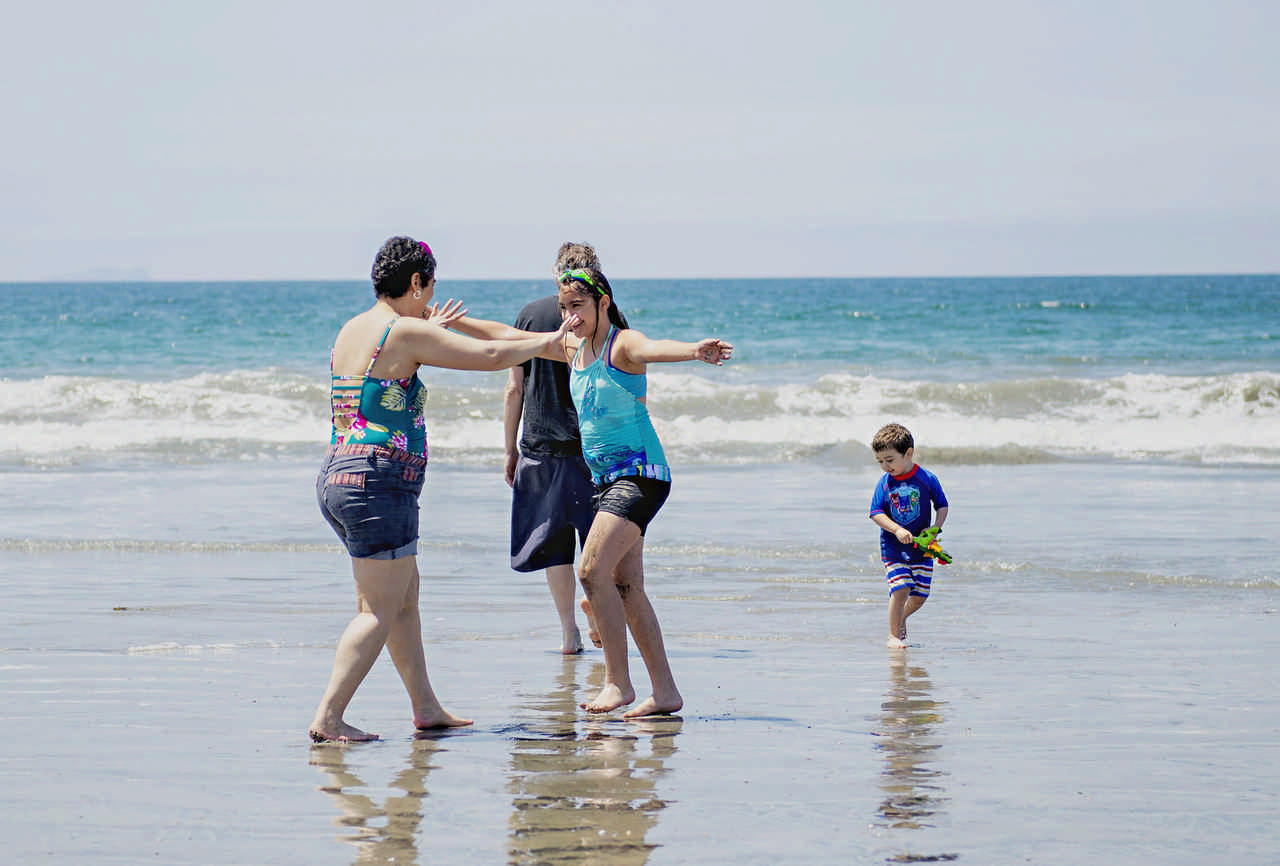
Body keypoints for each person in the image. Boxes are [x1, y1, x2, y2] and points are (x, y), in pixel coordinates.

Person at [310, 236, 579, 743]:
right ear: (415, 283)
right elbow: (492, 353)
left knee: (405, 596)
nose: (431, 295)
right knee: (377, 611)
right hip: (376, 482)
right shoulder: (404, 330)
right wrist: (545, 344)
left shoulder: (356, 328)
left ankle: (426, 707)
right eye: (429, 286)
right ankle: (328, 717)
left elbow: (388, 372)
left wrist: (426, 330)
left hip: (340, 476)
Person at [449, 266, 732, 717]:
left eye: (577, 307)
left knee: (590, 570)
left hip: (640, 474)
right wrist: (457, 323)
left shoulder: (623, 344)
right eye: (563, 308)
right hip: (606, 482)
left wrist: (695, 350)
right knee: (627, 586)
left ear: (602, 302)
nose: (569, 316)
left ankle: (617, 683)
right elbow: (505, 336)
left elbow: (655, 348)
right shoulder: (573, 346)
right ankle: (666, 693)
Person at [502, 243, 600, 654]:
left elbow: (514, 388)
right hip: (589, 450)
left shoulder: (529, 315)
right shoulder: (604, 317)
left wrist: (509, 449)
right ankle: (598, 609)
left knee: (554, 546)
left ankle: (568, 633)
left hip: (539, 446)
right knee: (599, 542)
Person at [868, 423, 950, 650]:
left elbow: (942, 505)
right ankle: (893, 636)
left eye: (890, 460)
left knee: (920, 595)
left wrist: (935, 527)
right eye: (880, 461)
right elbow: (875, 513)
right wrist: (896, 529)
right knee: (901, 588)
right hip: (893, 548)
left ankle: (901, 617)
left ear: (908, 454)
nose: (885, 466)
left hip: (922, 548)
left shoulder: (927, 478)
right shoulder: (884, 483)